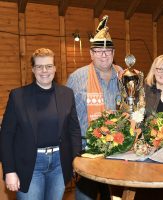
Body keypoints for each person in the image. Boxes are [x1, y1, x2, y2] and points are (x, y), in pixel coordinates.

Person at [0, 48, 82, 200]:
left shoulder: (67, 94)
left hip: (59, 164)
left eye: (49, 66)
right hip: (30, 165)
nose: (44, 70)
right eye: (39, 66)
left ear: (55, 68)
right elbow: (6, 136)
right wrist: (9, 170)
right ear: (33, 69)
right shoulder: (18, 96)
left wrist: (76, 161)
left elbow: (74, 130)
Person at [66, 15, 122, 200]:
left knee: (114, 198)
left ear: (113, 53)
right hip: (86, 151)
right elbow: (67, 116)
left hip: (118, 152)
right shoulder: (77, 78)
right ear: (91, 54)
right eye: (98, 50)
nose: (103, 54)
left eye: (108, 50)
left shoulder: (126, 77)